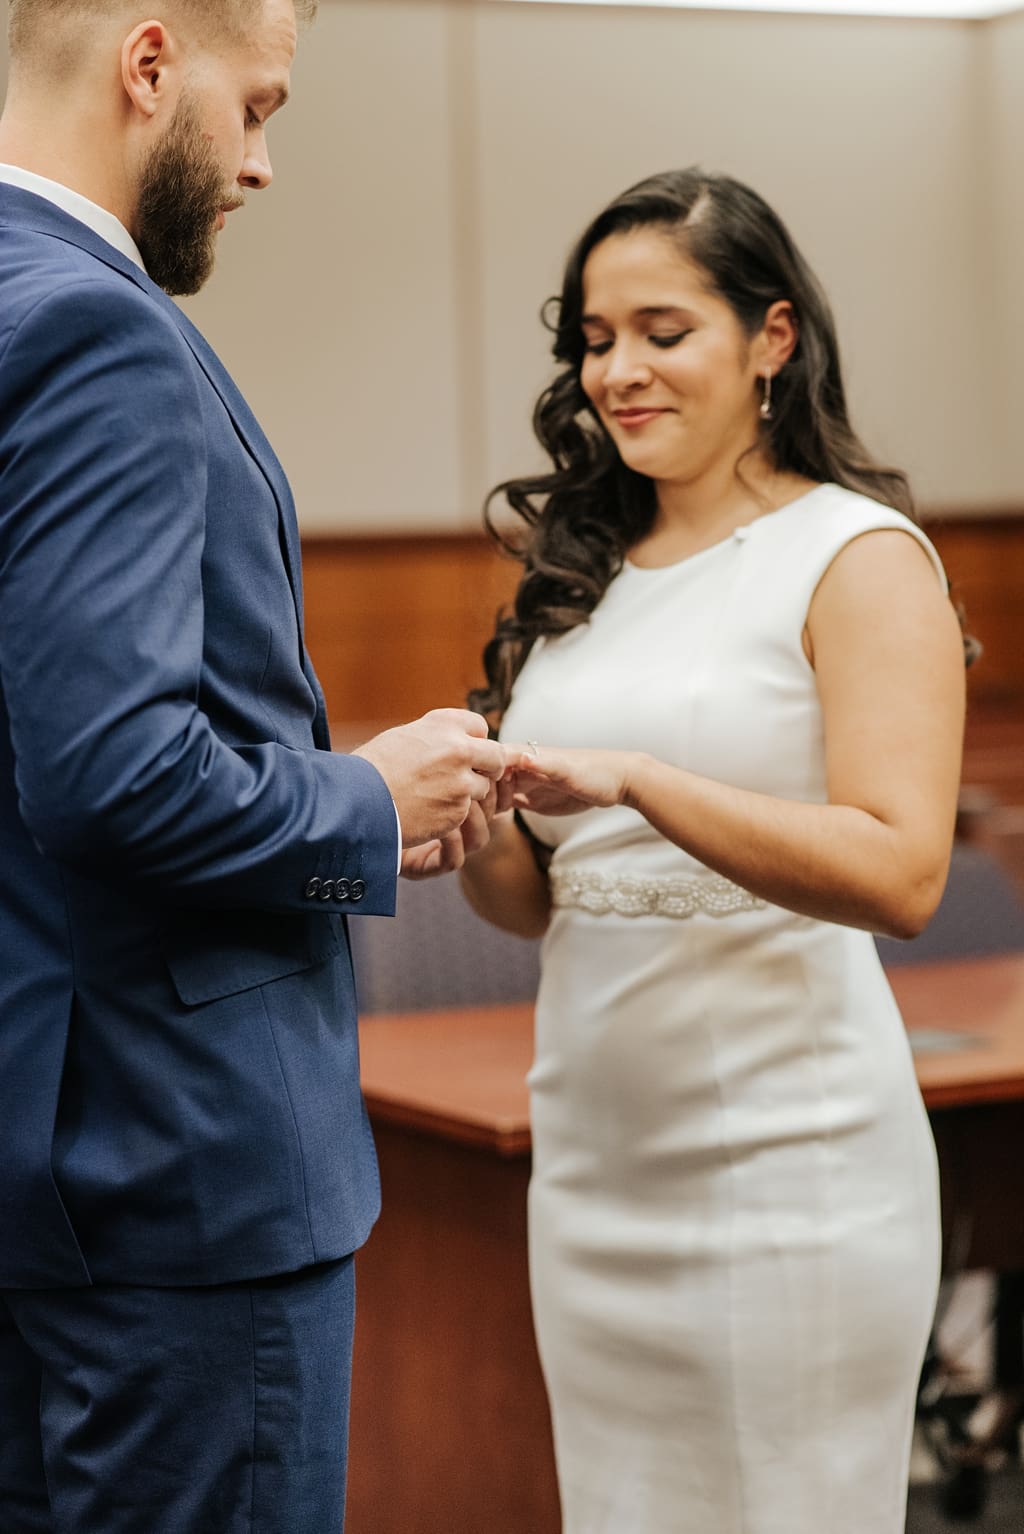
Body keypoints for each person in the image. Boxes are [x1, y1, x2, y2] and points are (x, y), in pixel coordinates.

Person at [0, 3, 512, 1530]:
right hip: (173, 1170)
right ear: (150, 65)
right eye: (259, 103)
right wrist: (368, 799)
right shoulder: (98, 328)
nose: (265, 162)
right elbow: (110, 772)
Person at [461, 168, 968, 1533]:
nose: (616, 370)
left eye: (661, 331)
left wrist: (636, 775)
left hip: (788, 1175)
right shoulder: (582, 572)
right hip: (595, 1167)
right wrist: (477, 812)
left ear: (773, 337)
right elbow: (545, 903)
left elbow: (901, 872)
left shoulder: (856, 555)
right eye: (593, 337)